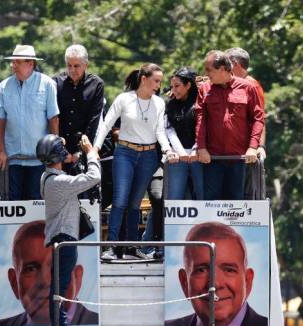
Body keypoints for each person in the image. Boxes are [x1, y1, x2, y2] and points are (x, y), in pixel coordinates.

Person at [93, 63, 177, 261]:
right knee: (120, 200)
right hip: (125, 153)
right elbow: (106, 124)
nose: (159, 85)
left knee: (135, 204)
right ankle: (112, 247)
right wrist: (95, 148)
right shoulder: (124, 99)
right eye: (156, 80)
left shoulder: (159, 103)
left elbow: (159, 132)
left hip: (148, 156)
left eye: (160, 81)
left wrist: (166, 149)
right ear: (144, 79)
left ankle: (131, 246)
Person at [37, 133, 101, 326]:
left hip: (60, 237)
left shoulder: (46, 177)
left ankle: (59, 325)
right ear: (57, 156)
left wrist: (62, 144)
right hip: (65, 238)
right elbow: (94, 177)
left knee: (60, 282)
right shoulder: (60, 182)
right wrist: (91, 154)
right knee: (61, 284)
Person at [0, 219, 98, 326]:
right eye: (31, 269)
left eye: (57, 266)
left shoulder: (98, 324)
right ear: (14, 283)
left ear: (77, 278)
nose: (45, 281)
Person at [165, 221, 268, 326]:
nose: (215, 284)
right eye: (201, 270)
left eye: (229, 270)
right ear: (184, 283)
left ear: (247, 281)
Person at [0, 44, 60, 200]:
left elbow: (53, 119)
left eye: (17, 62)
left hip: (39, 161)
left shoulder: (47, 84)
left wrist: (55, 154)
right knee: (13, 204)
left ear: (30, 63)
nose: (12, 66)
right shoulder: (4, 86)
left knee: (35, 204)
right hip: (13, 159)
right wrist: (1, 151)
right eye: (12, 62)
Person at [195, 51, 264, 200]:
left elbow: (258, 119)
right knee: (211, 203)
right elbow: (201, 120)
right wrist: (201, 148)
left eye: (209, 70)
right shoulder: (205, 89)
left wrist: (253, 148)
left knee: (236, 203)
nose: (206, 73)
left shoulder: (248, 87)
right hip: (212, 158)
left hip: (239, 159)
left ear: (222, 69)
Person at [52, 45, 104, 163]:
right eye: (69, 65)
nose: (72, 70)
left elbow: (94, 119)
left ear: (86, 65)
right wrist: (61, 151)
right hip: (59, 147)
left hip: (84, 146)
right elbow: (52, 116)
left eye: (76, 66)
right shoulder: (55, 82)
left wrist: (81, 151)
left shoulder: (96, 84)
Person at [164, 67, 204, 200]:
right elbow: (169, 130)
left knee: (202, 196)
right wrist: (181, 152)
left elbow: (203, 128)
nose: (173, 90)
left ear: (188, 85)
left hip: (198, 156)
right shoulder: (170, 104)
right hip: (177, 157)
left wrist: (195, 149)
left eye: (177, 86)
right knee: (174, 198)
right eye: (172, 86)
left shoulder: (201, 103)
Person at [225, 47, 266, 160]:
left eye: (225, 63)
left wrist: (260, 146)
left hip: (246, 148)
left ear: (235, 64)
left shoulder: (252, 85)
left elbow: (260, 118)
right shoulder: (227, 84)